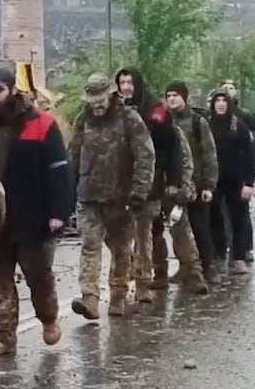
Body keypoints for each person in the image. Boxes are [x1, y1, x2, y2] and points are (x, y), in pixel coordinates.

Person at [0, 60, 71, 357]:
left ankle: (48, 318)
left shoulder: (41, 124)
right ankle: (3, 336)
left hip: (32, 217)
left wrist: (58, 213)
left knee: (38, 277)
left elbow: (58, 170)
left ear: (12, 90)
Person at [69, 73, 155, 319]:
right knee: (90, 244)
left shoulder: (129, 119)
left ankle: (117, 297)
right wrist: (68, 189)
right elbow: (73, 154)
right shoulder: (82, 119)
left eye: (100, 99)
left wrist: (140, 192)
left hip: (121, 196)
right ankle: (90, 298)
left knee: (120, 248)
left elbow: (145, 156)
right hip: (89, 195)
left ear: (110, 95)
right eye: (92, 100)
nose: (96, 105)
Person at [115, 67, 181, 301]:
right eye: (122, 82)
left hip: (151, 176)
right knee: (122, 235)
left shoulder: (155, 110)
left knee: (148, 231)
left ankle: (150, 276)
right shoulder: (114, 109)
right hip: (119, 180)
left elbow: (172, 146)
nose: (125, 87)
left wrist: (173, 180)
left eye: (129, 82)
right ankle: (122, 283)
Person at [165, 81, 220, 285]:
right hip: (174, 184)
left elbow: (209, 155)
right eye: (169, 95)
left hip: (196, 184)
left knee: (200, 227)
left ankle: (209, 266)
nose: (172, 99)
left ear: (184, 97)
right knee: (178, 229)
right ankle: (185, 266)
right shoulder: (165, 122)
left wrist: (209, 185)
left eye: (175, 95)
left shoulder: (198, 122)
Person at [207, 88, 255, 274]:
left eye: (223, 101)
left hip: (235, 180)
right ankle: (218, 254)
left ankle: (238, 257)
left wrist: (249, 183)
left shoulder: (239, 127)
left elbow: (249, 156)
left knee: (239, 219)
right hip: (213, 179)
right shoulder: (207, 125)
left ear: (229, 104)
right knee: (214, 218)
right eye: (217, 101)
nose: (220, 104)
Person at [220, 80, 255, 264]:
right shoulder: (214, 116)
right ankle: (223, 248)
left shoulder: (245, 115)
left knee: (241, 211)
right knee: (220, 213)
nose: (227, 91)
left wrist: (254, 154)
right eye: (224, 87)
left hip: (242, 171)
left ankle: (245, 249)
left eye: (231, 88)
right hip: (221, 171)